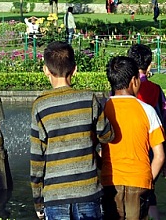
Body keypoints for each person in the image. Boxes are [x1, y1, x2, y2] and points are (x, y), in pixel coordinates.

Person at [30, 41, 114, 220]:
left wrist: (38, 200)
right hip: (88, 191)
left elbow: (37, 159)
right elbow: (107, 136)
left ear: (46, 70)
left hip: (55, 195)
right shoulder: (88, 99)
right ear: (75, 69)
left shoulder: (40, 105)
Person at [102, 56, 166, 220]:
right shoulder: (147, 110)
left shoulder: (103, 109)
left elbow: (91, 146)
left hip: (110, 180)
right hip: (139, 181)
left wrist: (102, 167)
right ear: (134, 81)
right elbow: (159, 156)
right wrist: (148, 180)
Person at [127, 44, 166, 220]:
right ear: (150, 65)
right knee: (149, 195)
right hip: (152, 151)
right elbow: (165, 126)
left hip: (129, 149)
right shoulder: (156, 90)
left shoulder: (121, 89)